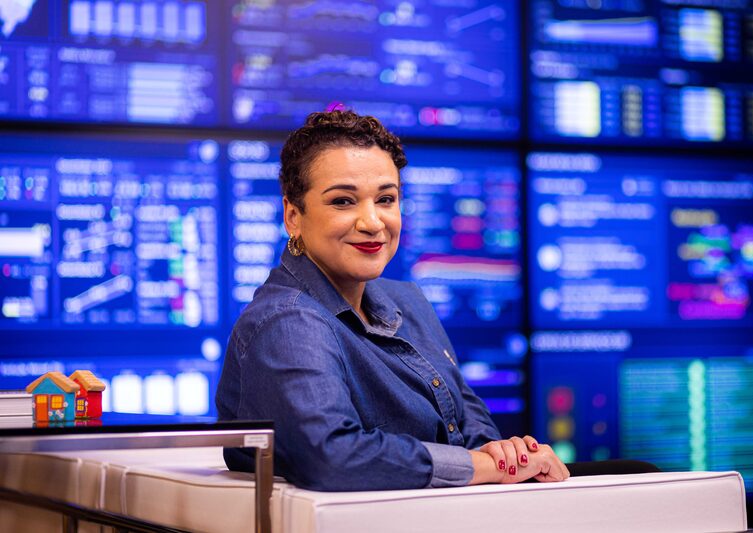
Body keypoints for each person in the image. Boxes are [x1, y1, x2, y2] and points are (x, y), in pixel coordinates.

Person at [216, 109, 644, 491]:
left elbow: (474, 429)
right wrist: (482, 465)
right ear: (293, 215)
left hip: (454, 516)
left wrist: (510, 455)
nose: (373, 221)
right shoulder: (287, 320)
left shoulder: (408, 300)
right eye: (343, 201)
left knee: (639, 473)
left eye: (386, 199)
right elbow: (334, 456)